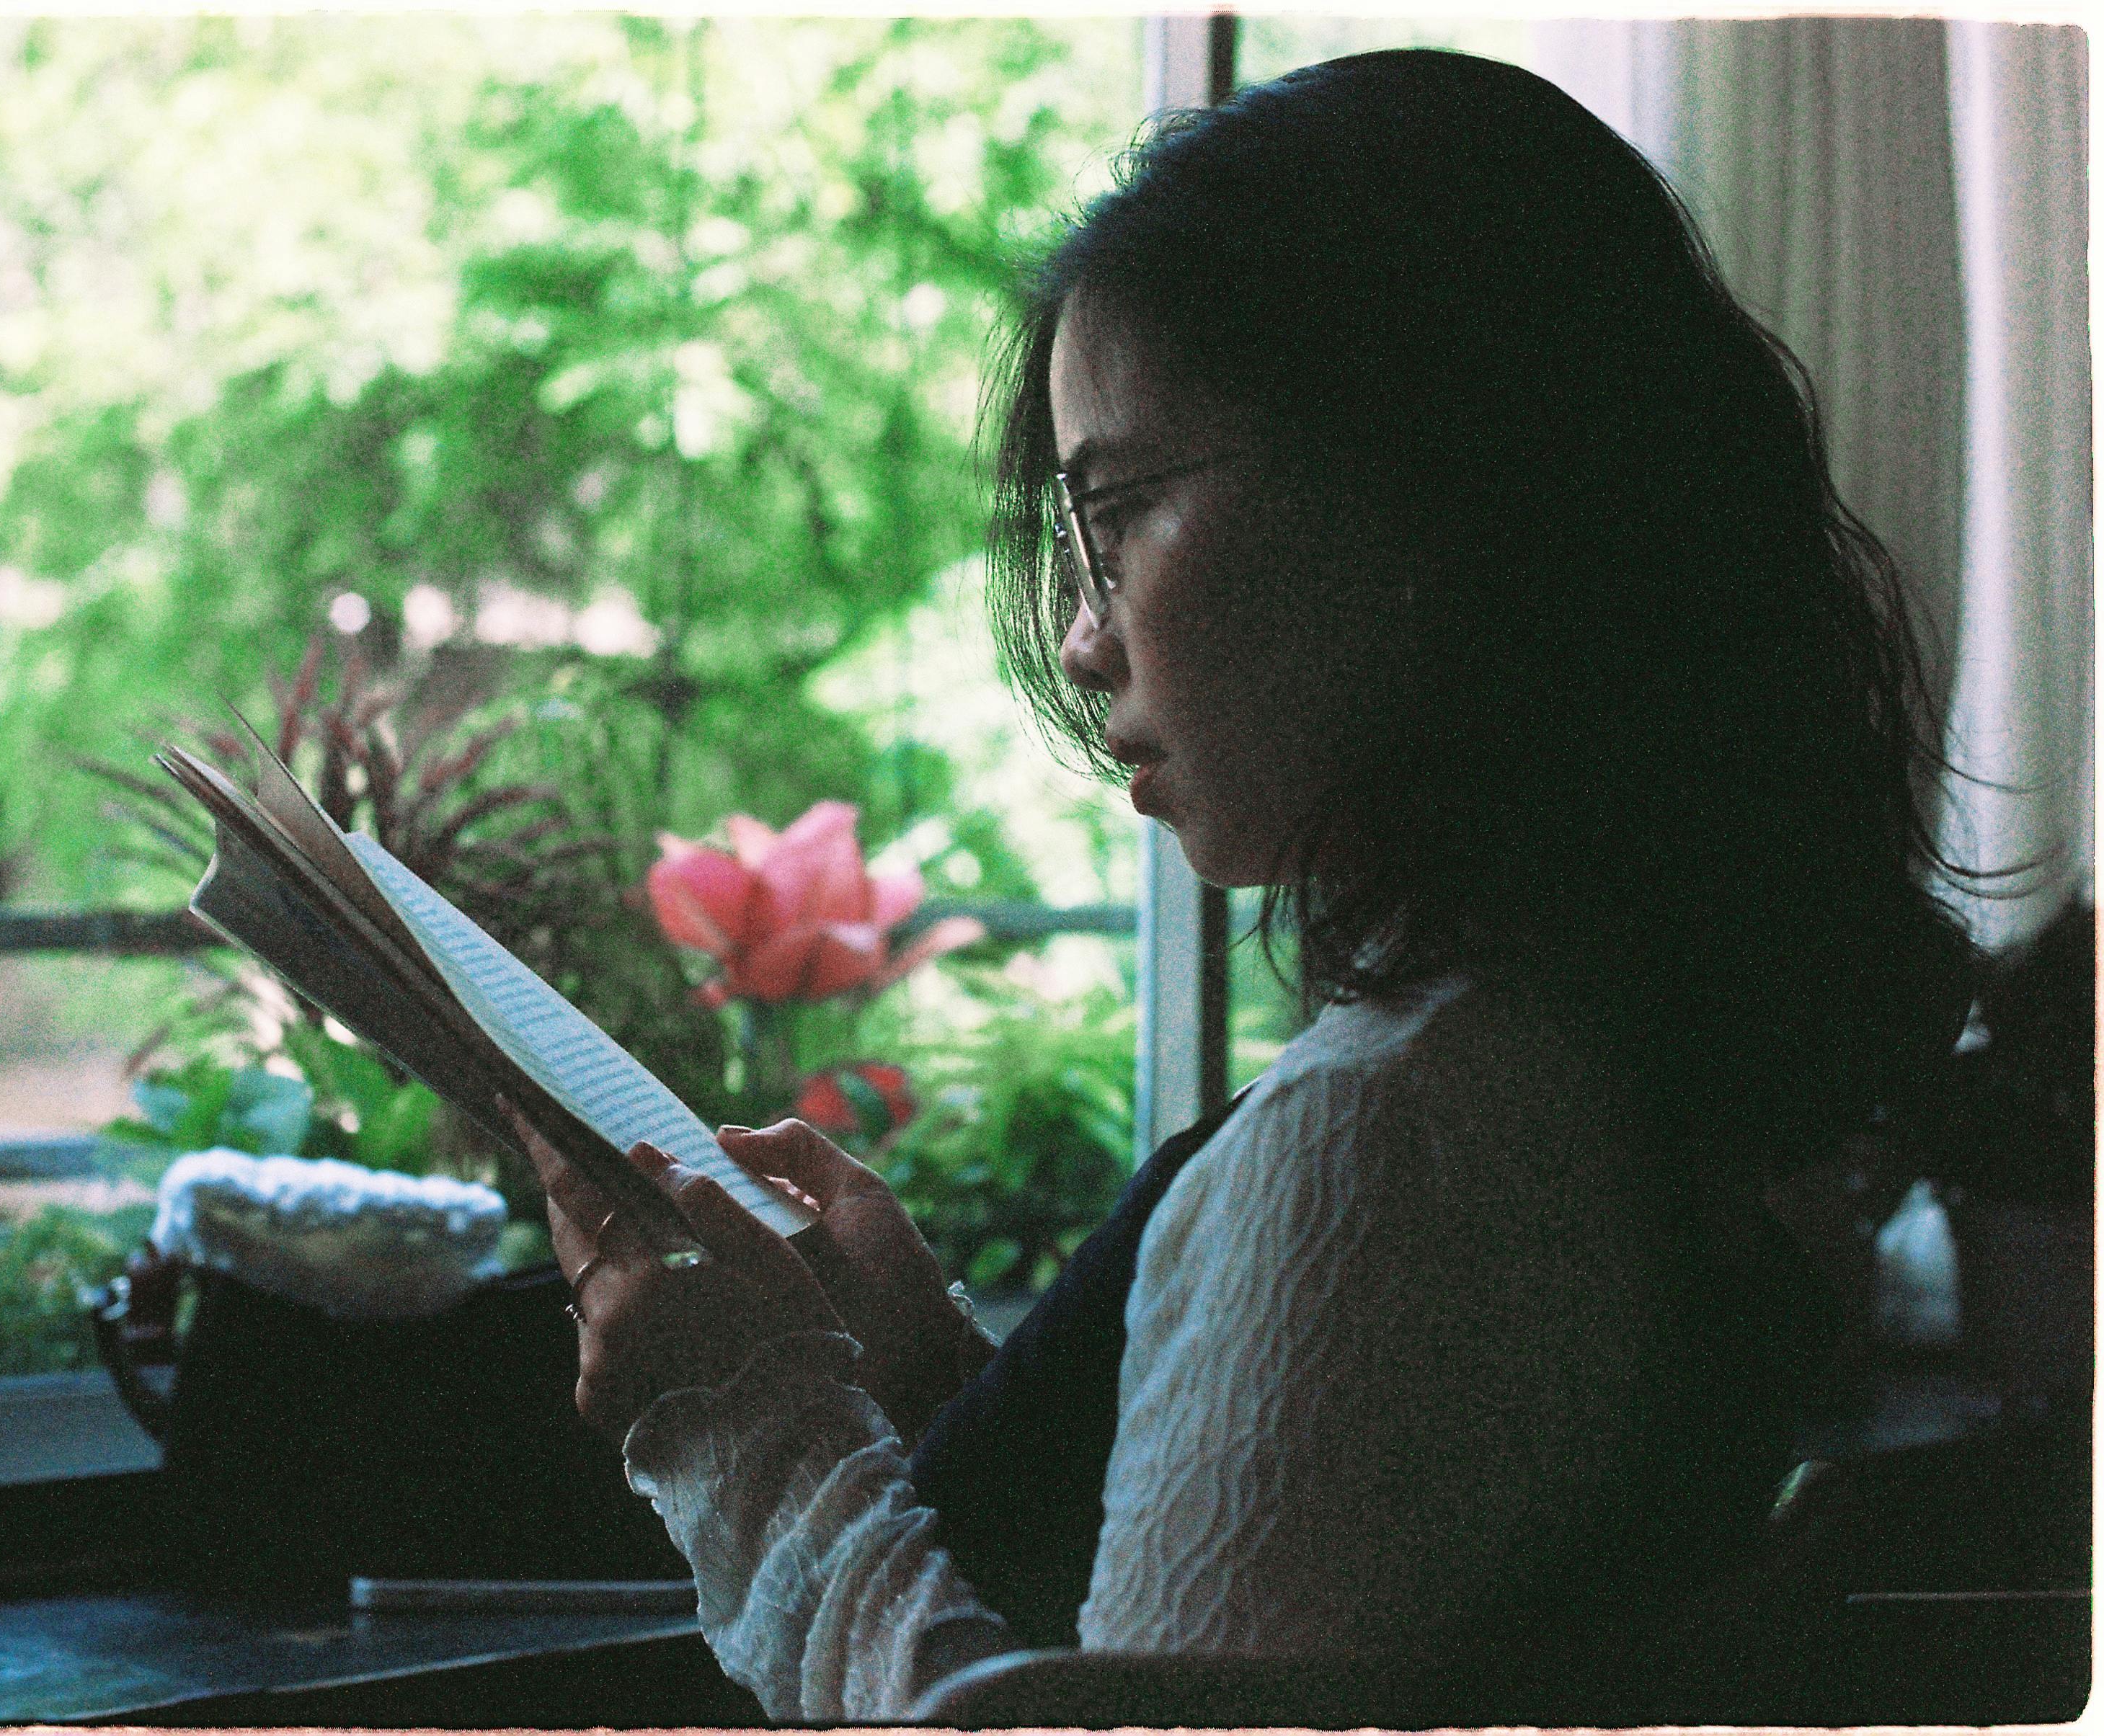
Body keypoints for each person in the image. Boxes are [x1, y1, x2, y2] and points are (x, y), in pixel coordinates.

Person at [516, 47, 1979, 1722]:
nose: (1079, 635)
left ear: (1421, 489)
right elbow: (1283, 1588)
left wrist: (748, 1425)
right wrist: (931, 1377)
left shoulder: (1391, 1135)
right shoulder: (1597, 1066)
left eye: (1118, 508)